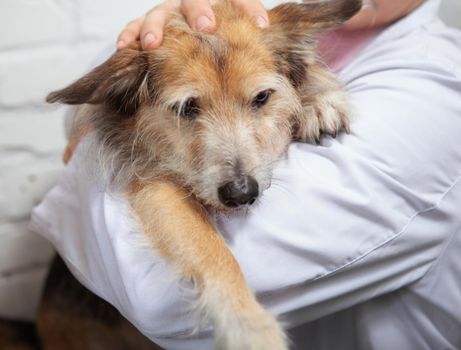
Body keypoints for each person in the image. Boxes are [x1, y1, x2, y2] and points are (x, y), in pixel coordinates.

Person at [30, 0, 461, 348]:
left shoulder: (436, 89)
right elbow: (83, 118)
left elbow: (160, 300)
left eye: (259, 99)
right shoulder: (251, 21)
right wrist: (148, 35)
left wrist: (112, 150)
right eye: (188, 108)